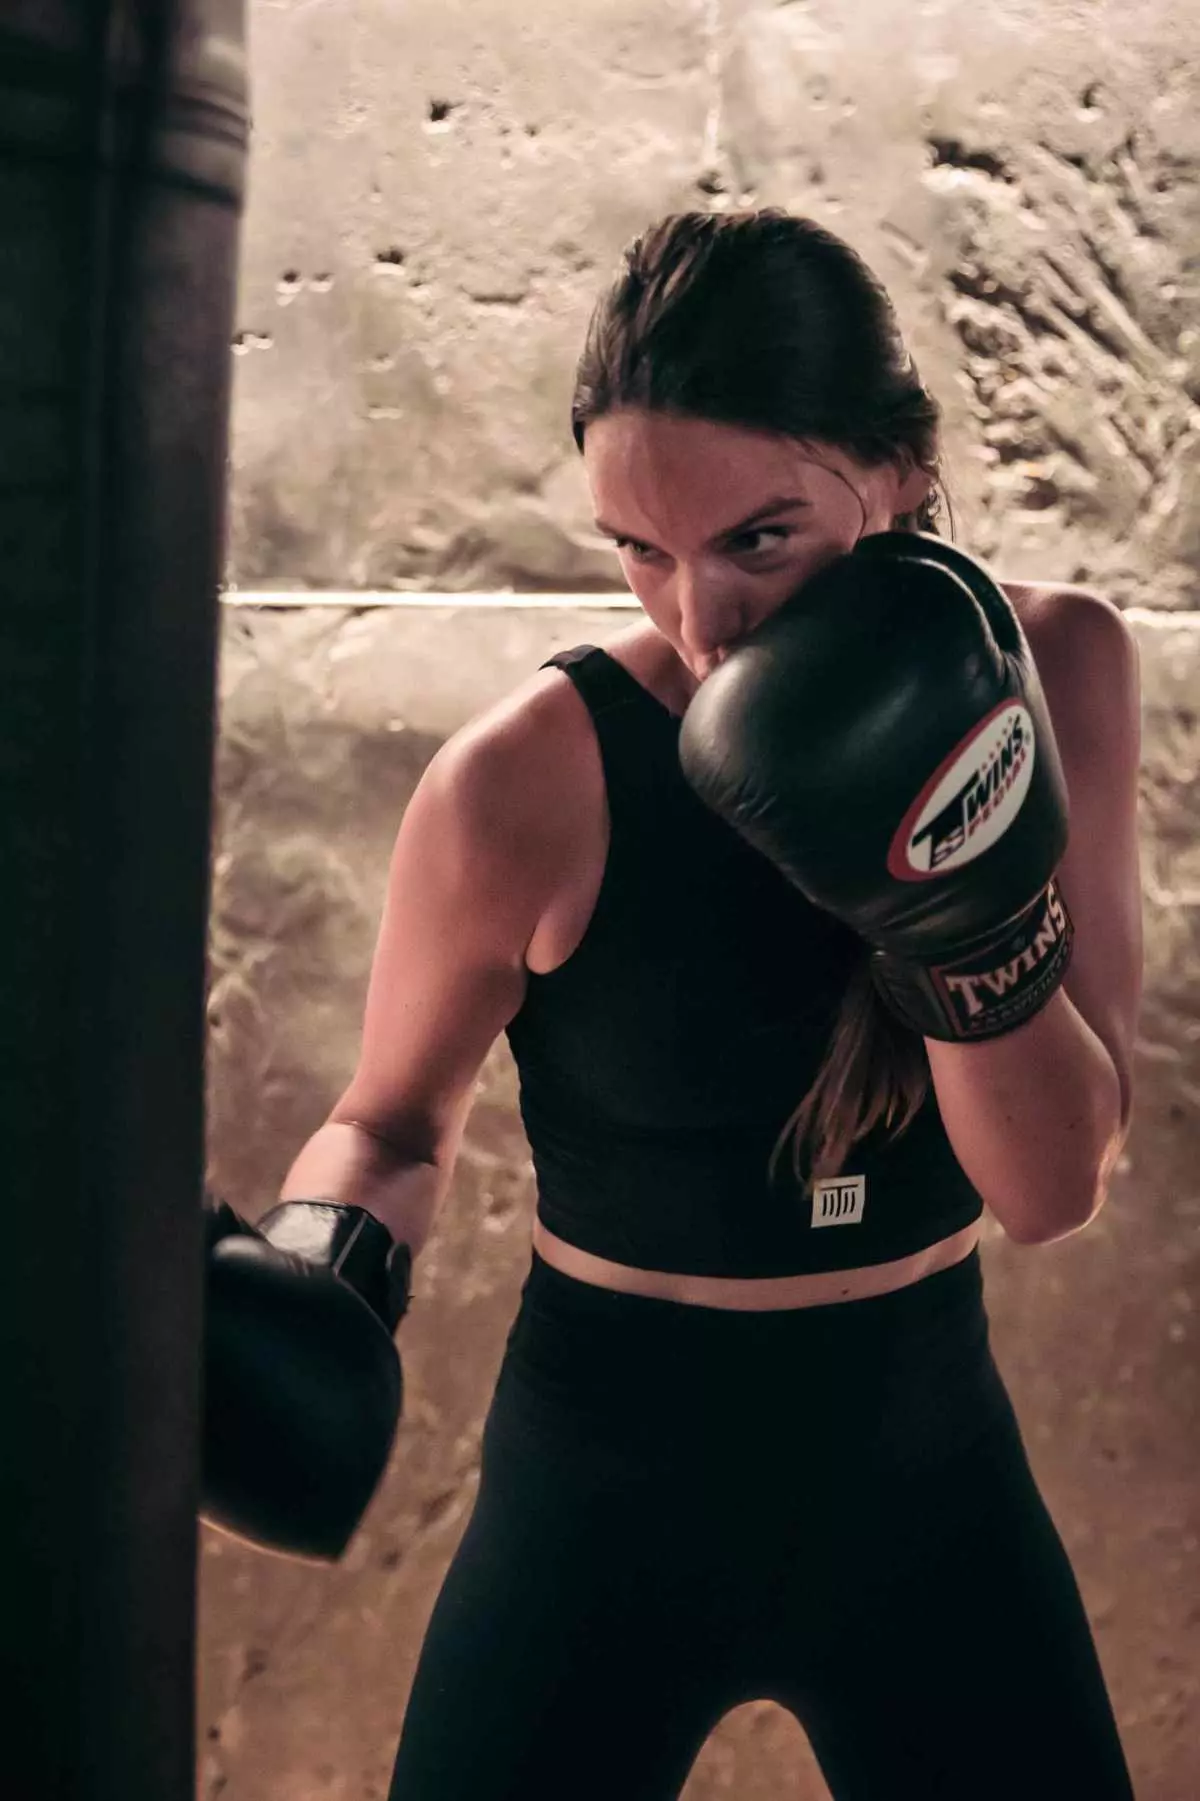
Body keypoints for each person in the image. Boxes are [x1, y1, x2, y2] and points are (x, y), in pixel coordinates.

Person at [205, 210, 1143, 1798]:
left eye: (758, 539)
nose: (701, 621)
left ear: (900, 473)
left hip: (923, 1457)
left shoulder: (1054, 671)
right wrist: (318, 1273)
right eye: (639, 550)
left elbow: (1048, 1191)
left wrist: (937, 888)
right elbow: (388, 1119)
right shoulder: (529, 780)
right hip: (609, 1469)